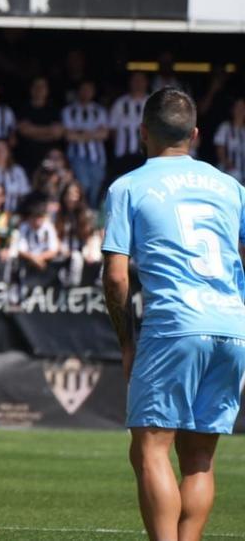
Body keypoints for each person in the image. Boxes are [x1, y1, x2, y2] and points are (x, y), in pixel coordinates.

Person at [102, 87, 245, 541]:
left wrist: (127, 342)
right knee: (199, 456)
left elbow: (116, 277)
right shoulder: (230, 186)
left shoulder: (128, 186)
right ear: (196, 134)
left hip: (175, 324)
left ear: (142, 132)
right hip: (231, 324)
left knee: (150, 449)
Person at [62, 80, 109, 205]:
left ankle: (90, 217)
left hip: (97, 159)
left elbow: (104, 134)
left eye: (89, 90)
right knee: (83, 185)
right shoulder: (69, 110)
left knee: (95, 190)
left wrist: (80, 133)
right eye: (83, 89)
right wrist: (93, 134)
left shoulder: (99, 110)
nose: (86, 93)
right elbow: (68, 135)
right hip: (77, 157)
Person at [213, 96, 245, 184]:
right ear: (232, 109)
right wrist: (226, 163)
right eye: (238, 107)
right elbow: (220, 150)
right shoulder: (225, 127)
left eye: (243, 107)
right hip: (229, 172)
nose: (240, 110)